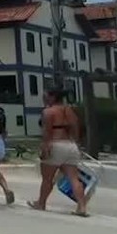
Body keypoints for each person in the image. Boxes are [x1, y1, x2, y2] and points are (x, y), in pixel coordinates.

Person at [29, 88, 89, 216]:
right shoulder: (69, 111)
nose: (44, 98)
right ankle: (82, 206)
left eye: (45, 96)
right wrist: (76, 143)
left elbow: (47, 132)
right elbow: (76, 127)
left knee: (47, 179)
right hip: (70, 145)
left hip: (55, 144)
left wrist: (45, 147)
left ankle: (41, 203)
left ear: (52, 97)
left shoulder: (48, 112)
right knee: (74, 178)